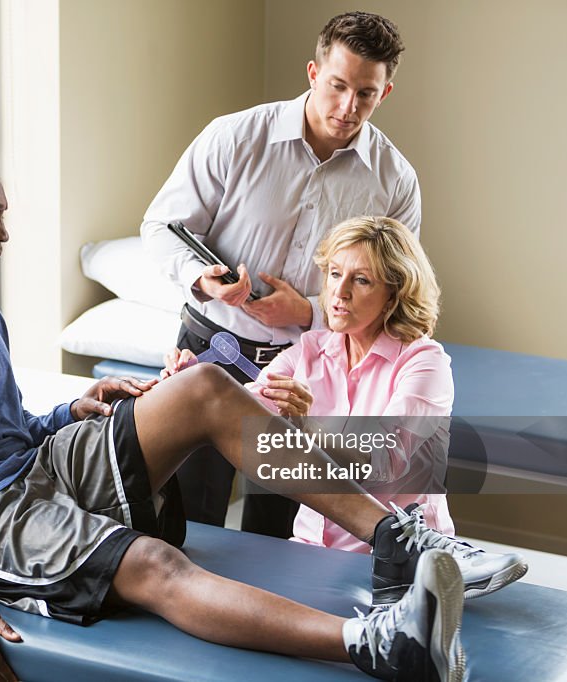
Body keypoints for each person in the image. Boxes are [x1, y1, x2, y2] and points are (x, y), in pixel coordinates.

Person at [0, 150, 521, 682]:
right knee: (155, 561)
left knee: (206, 386)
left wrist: (69, 410)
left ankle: (400, 539)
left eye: (4, 213)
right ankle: (379, 645)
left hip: (37, 466)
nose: (4, 231)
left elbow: (4, 431)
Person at [140, 11, 420, 538]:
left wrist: (310, 312)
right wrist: (202, 278)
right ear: (313, 73)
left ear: (385, 94)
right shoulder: (234, 137)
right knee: (187, 527)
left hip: (310, 376)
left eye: (365, 93)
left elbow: (397, 297)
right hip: (208, 358)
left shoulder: (395, 182)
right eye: (337, 86)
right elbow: (159, 225)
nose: (347, 107)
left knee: (285, 535)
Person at [164, 218, 528, 603]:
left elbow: (384, 463)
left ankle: (449, 562)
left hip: (399, 561)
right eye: (335, 274)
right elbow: (242, 409)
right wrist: (190, 384)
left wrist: (307, 428)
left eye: (361, 280)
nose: (339, 292)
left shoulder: (424, 363)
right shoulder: (309, 350)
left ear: (394, 295)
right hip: (308, 550)